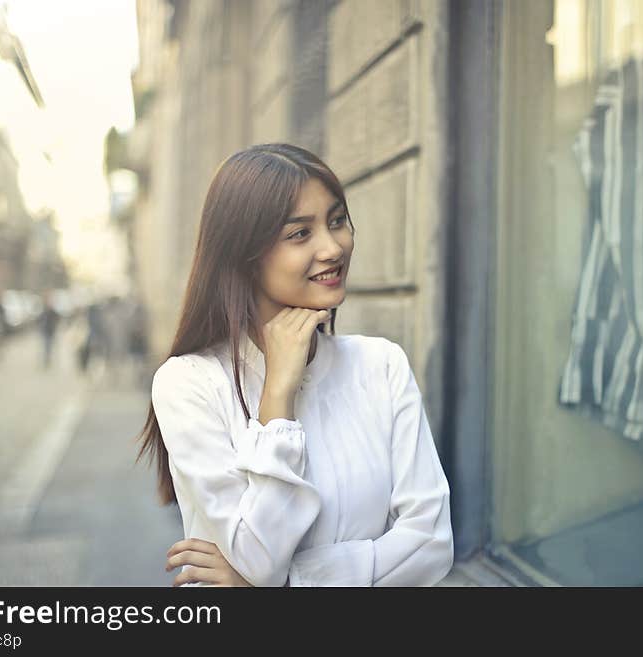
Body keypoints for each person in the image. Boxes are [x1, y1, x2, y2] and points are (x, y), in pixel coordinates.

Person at [138, 143, 454, 587]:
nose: (332, 248)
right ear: (244, 256)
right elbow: (258, 558)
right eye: (299, 234)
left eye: (338, 221)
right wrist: (277, 400)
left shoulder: (381, 364)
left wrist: (292, 584)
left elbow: (431, 544)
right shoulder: (189, 384)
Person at [37, 291, 60, 369]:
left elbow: (57, 319)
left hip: (51, 331)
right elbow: (39, 319)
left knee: (49, 347)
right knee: (46, 347)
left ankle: (48, 360)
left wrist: (54, 326)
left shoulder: (53, 311)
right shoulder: (43, 310)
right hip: (45, 331)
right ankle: (46, 360)